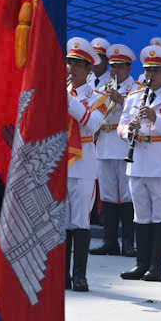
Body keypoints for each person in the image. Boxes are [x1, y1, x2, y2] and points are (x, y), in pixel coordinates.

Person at [117, 44, 161, 282]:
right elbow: (121, 124)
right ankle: (141, 264)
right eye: (148, 70)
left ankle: (157, 267)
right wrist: (128, 132)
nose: (151, 75)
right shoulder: (134, 96)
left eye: (156, 70)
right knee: (141, 215)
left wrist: (158, 119)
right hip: (137, 162)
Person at [63, 39, 104, 292]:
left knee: (80, 220)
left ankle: (80, 275)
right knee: (62, 221)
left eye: (79, 64)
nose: (72, 68)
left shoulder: (96, 96)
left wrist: (67, 99)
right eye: (70, 63)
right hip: (60, 161)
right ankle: (62, 274)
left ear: (89, 69)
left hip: (83, 162)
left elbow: (92, 123)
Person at [93, 44, 134, 255]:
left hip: (123, 144)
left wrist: (122, 100)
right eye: (113, 66)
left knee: (126, 195)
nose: (115, 71)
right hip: (105, 142)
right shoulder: (104, 85)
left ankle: (128, 242)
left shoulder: (136, 88)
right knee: (107, 194)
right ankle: (110, 241)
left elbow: (138, 112)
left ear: (128, 68)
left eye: (119, 67)